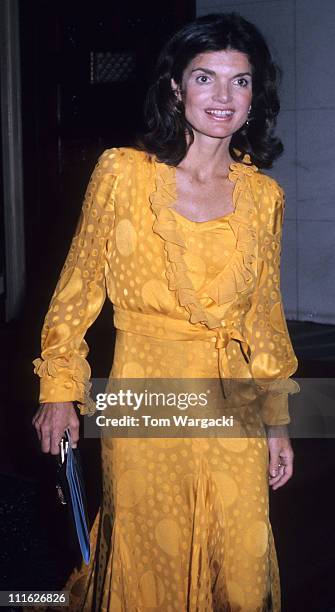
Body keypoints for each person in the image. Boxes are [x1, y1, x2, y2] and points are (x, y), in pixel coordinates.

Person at [32, 12, 300, 612]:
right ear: (176, 88)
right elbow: (76, 291)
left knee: (240, 558)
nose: (224, 97)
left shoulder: (264, 197)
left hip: (235, 405)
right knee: (147, 556)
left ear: (257, 95)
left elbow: (264, 317)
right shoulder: (122, 174)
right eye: (205, 78)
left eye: (241, 81)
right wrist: (59, 390)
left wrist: (278, 422)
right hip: (144, 393)